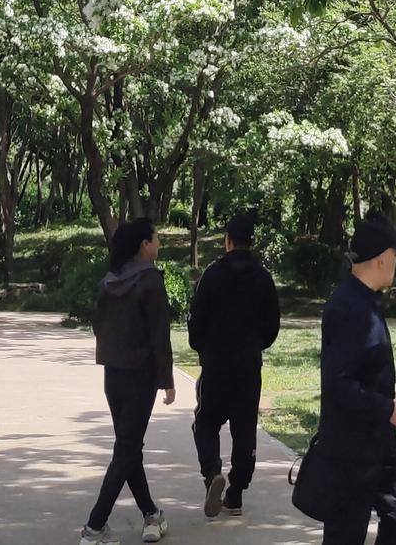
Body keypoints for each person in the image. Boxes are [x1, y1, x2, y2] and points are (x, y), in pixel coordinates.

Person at [315, 215, 396, 545]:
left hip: (378, 440)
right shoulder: (349, 307)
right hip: (351, 446)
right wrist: (385, 407)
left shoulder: (365, 300)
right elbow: (337, 383)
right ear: (382, 257)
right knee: (345, 534)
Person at [81, 218, 174, 545]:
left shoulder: (108, 281)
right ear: (144, 245)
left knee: (129, 448)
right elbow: (159, 335)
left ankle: (152, 515)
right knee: (126, 451)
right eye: (156, 239)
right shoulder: (150, 281)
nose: (158, 244)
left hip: (113, 376)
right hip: (140, 377)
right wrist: (167, 381)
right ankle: (94, 528)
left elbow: (97, 325)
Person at [187, 210, 280, 519]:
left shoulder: (212, 275)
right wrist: (255, 346)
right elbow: (272, 326)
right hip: (248, 366)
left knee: (206, 421)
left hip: (216, 364)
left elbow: (196, 321)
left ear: (228, 241)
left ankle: (212, 471)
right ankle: (236, 492)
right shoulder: (264, 278)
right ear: (251, 242)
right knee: (244, 429)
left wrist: (202, 347)